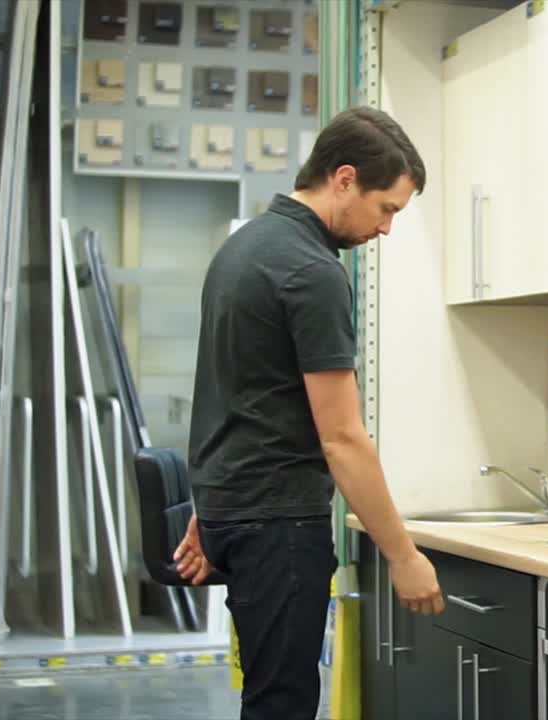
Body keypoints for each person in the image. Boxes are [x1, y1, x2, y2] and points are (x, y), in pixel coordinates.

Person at [173, 106, 445, 720]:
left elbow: (234, 395)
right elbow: (343, 439)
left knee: (267, 694)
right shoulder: (311, 271)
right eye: (388, 208)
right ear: (344, 178)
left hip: (237, 511)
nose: (386, 229)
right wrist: (403, 556)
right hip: (278, 525)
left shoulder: (244, 248)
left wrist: (214, 504)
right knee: (282, 704)